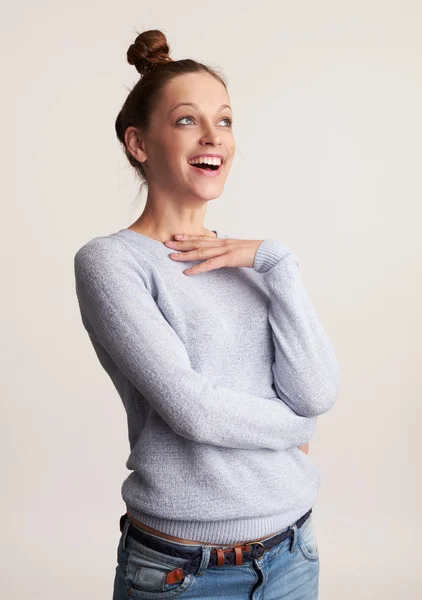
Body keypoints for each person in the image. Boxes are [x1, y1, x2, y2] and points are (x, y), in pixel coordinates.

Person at [73, 28, 340, 600]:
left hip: (293, 550)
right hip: (182, 569)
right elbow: (194, 410)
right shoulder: (112, 263)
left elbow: (315, 391)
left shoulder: (250, 262)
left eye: (224, 120)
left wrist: (278, 261)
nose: (213, 136)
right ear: (139, 144)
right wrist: (297, 431)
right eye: (187, 120)